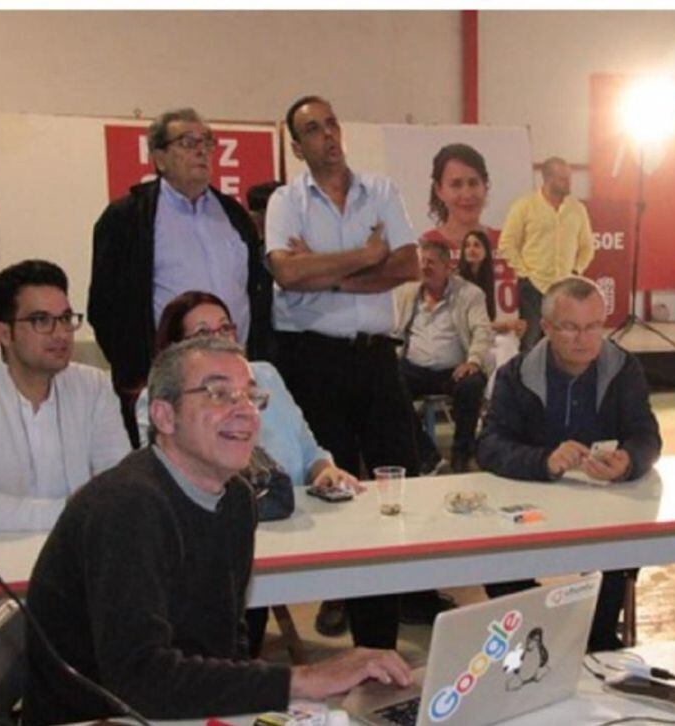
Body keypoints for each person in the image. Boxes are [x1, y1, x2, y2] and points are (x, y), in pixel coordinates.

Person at [22, 336, 411, 724]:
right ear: (163, 416)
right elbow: (139, 680)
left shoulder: (238, 500)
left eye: (251, 396)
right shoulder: (128, 506)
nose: (245, 411)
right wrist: (303, 680)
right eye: (218, 394)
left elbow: (226, 645)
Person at [264, 94, 419, 649]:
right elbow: (286, 273)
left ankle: (380, 632)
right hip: (314, 360)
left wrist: (327, 273)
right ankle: (338, 593)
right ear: (297, 143)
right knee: (329, 487)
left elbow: (407, 263)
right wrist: (365, 254)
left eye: (332, 123)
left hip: (377, 357)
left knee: (395, 482)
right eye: (313, 128)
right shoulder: (286, 201)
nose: (328, 135)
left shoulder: (381, 191)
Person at [134, 290, 361, 651]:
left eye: (226, 328)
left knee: (366, 565)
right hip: (225, 535)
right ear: (176, 349)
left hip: (298, 521)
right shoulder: (162, 400)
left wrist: (324, 470)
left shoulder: (264, 375)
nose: (220, 338)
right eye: (204, 333)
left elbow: (309, 447)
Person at [476, 276, 661, 651]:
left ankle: (597, 640)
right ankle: (541, 635)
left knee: (620, 552)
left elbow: (647, 436)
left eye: (594, 326)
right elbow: (490, 446)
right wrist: (543, 461)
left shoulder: (624, 368)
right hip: (532, 509)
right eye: (571, 327)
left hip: (604, 510)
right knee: (493, 560)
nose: (584, 339)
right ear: (546, 328)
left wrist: (628, 461)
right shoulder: (516, 374)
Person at [88, 107, 274, 447]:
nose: (201, 150)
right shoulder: (128, 218)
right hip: (167, 382)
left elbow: (255, 296)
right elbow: (104, 306)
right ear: (159, 157)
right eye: (188, 142)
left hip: (235, 377)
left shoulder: (233, 216)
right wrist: (139, 376)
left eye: (207, 142)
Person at [0, 260, 129, 532]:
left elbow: (122, 489)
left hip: (82, 558)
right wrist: (72, 512)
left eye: (65, 319)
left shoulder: (93, 387)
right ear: (3, 334)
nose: (61, 334)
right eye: (41, 320)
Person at [394, 240, 492, 473]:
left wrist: (473, 361)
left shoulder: (470, 294)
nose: (425, 267)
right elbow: (393, 329)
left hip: (454, 369)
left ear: (447, 266)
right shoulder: (406, 292)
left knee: (472, 385)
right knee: (387, 385)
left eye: (431, 262)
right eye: (421, 262)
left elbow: (482, 330)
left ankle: (462, 453)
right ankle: (427, 454)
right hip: (414, 367)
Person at [500, 157, 595, 353]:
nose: (569, 183)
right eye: (563, 178)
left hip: (564, 288)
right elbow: (507, 243)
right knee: (530, 342)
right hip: (533, 287)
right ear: (547, 178)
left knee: (564, 341)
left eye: (569, 178)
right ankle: (529, 382)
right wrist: (524, 272)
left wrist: (576, 270)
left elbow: (587, 247)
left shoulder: (577, 209)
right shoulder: (524, 206)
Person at [423, 143, 499, 250]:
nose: (467, 195)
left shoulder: (506, 245)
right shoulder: (425, 248)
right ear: (439, 190)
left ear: (485, 187)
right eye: (456, 185)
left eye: (473, 183)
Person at [460, 229, 527, 337]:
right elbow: (468, 325)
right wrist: (505, 325)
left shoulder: (487, 280)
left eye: (476, 245)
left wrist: (510, 326)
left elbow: (486, 321)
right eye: (467, 246)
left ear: (486, 251)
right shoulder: (458, 281)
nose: (471, 249)